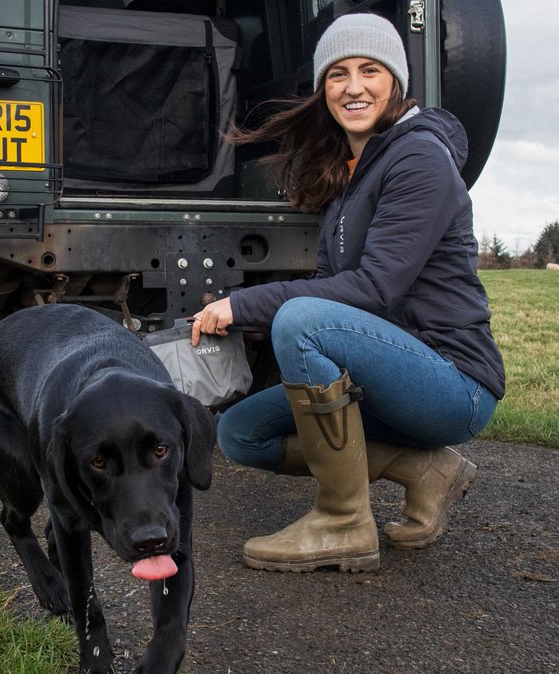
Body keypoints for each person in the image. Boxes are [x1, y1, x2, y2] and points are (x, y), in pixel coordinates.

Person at [190, 12, 504, 573]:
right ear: (322, 88)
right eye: (337, 74)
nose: (353, 87)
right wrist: (243, 318)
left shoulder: (419, 159)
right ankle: (424, 470)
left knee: (303, 319)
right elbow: (327, 287)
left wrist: (245, 306)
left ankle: (342, 522)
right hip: (389, 369)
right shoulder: (354, 170)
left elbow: (373, 289)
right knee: (241, 432)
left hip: (454, 382)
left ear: (396, 82)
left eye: (369, 70)